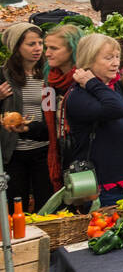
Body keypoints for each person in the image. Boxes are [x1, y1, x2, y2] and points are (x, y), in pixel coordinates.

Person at [64, 33, 123, 206]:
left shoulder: (116, 86)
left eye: (117, 56)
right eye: (108, 58)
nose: (116, 63)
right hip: (107, 189)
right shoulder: (79, 96)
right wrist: (93, 82)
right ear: (89, 60)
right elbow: (118, 109)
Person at [1, 23, 53, 211]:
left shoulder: (47, 75)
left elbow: (50, 111)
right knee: (16, 205)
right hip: (14, 152)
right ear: (16, 47)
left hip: (43, 149)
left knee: (46, 204)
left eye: (40, 43)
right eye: (31, 44)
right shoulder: (3, 75)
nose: (38, 48)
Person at [40, 24, 82, 191]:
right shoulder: (49, 82)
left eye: (54, 48)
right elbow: (47, 127)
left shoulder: (87, 80)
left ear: (72, 49)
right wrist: (26, 128)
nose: (47, 53)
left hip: (86, 159)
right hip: (62, 156)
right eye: (47, 47)